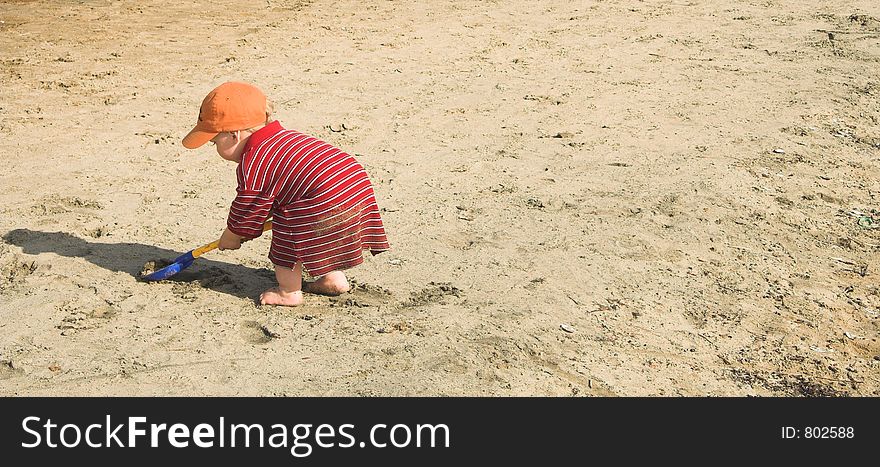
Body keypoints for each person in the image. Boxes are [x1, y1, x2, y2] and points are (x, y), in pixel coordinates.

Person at [181, 81, 390, 306]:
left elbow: (248, 208)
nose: (214, 149)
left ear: (234, 135)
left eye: (214, 142)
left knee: (288, 226)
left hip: (325, 197)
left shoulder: (254, 161)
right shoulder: (286, 138)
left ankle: (288, 292)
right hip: (355, 187)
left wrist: (232, 234)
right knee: (310, 225)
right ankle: (332, 278)